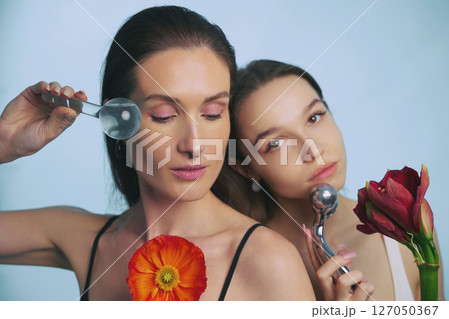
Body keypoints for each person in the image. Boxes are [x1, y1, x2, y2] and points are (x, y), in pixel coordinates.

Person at [0, 7, 316, 301]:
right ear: (117, 120)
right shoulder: (82, 238)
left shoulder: (269, 262)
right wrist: (4, 145)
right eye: (164, 116)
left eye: (212, 113)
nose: (194, 145)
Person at [219, 59, 445, 300]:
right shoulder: (242, 263)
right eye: (275, 144)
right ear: (246, 168)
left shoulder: (406, 229)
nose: (313, 150)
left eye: (314, 117)